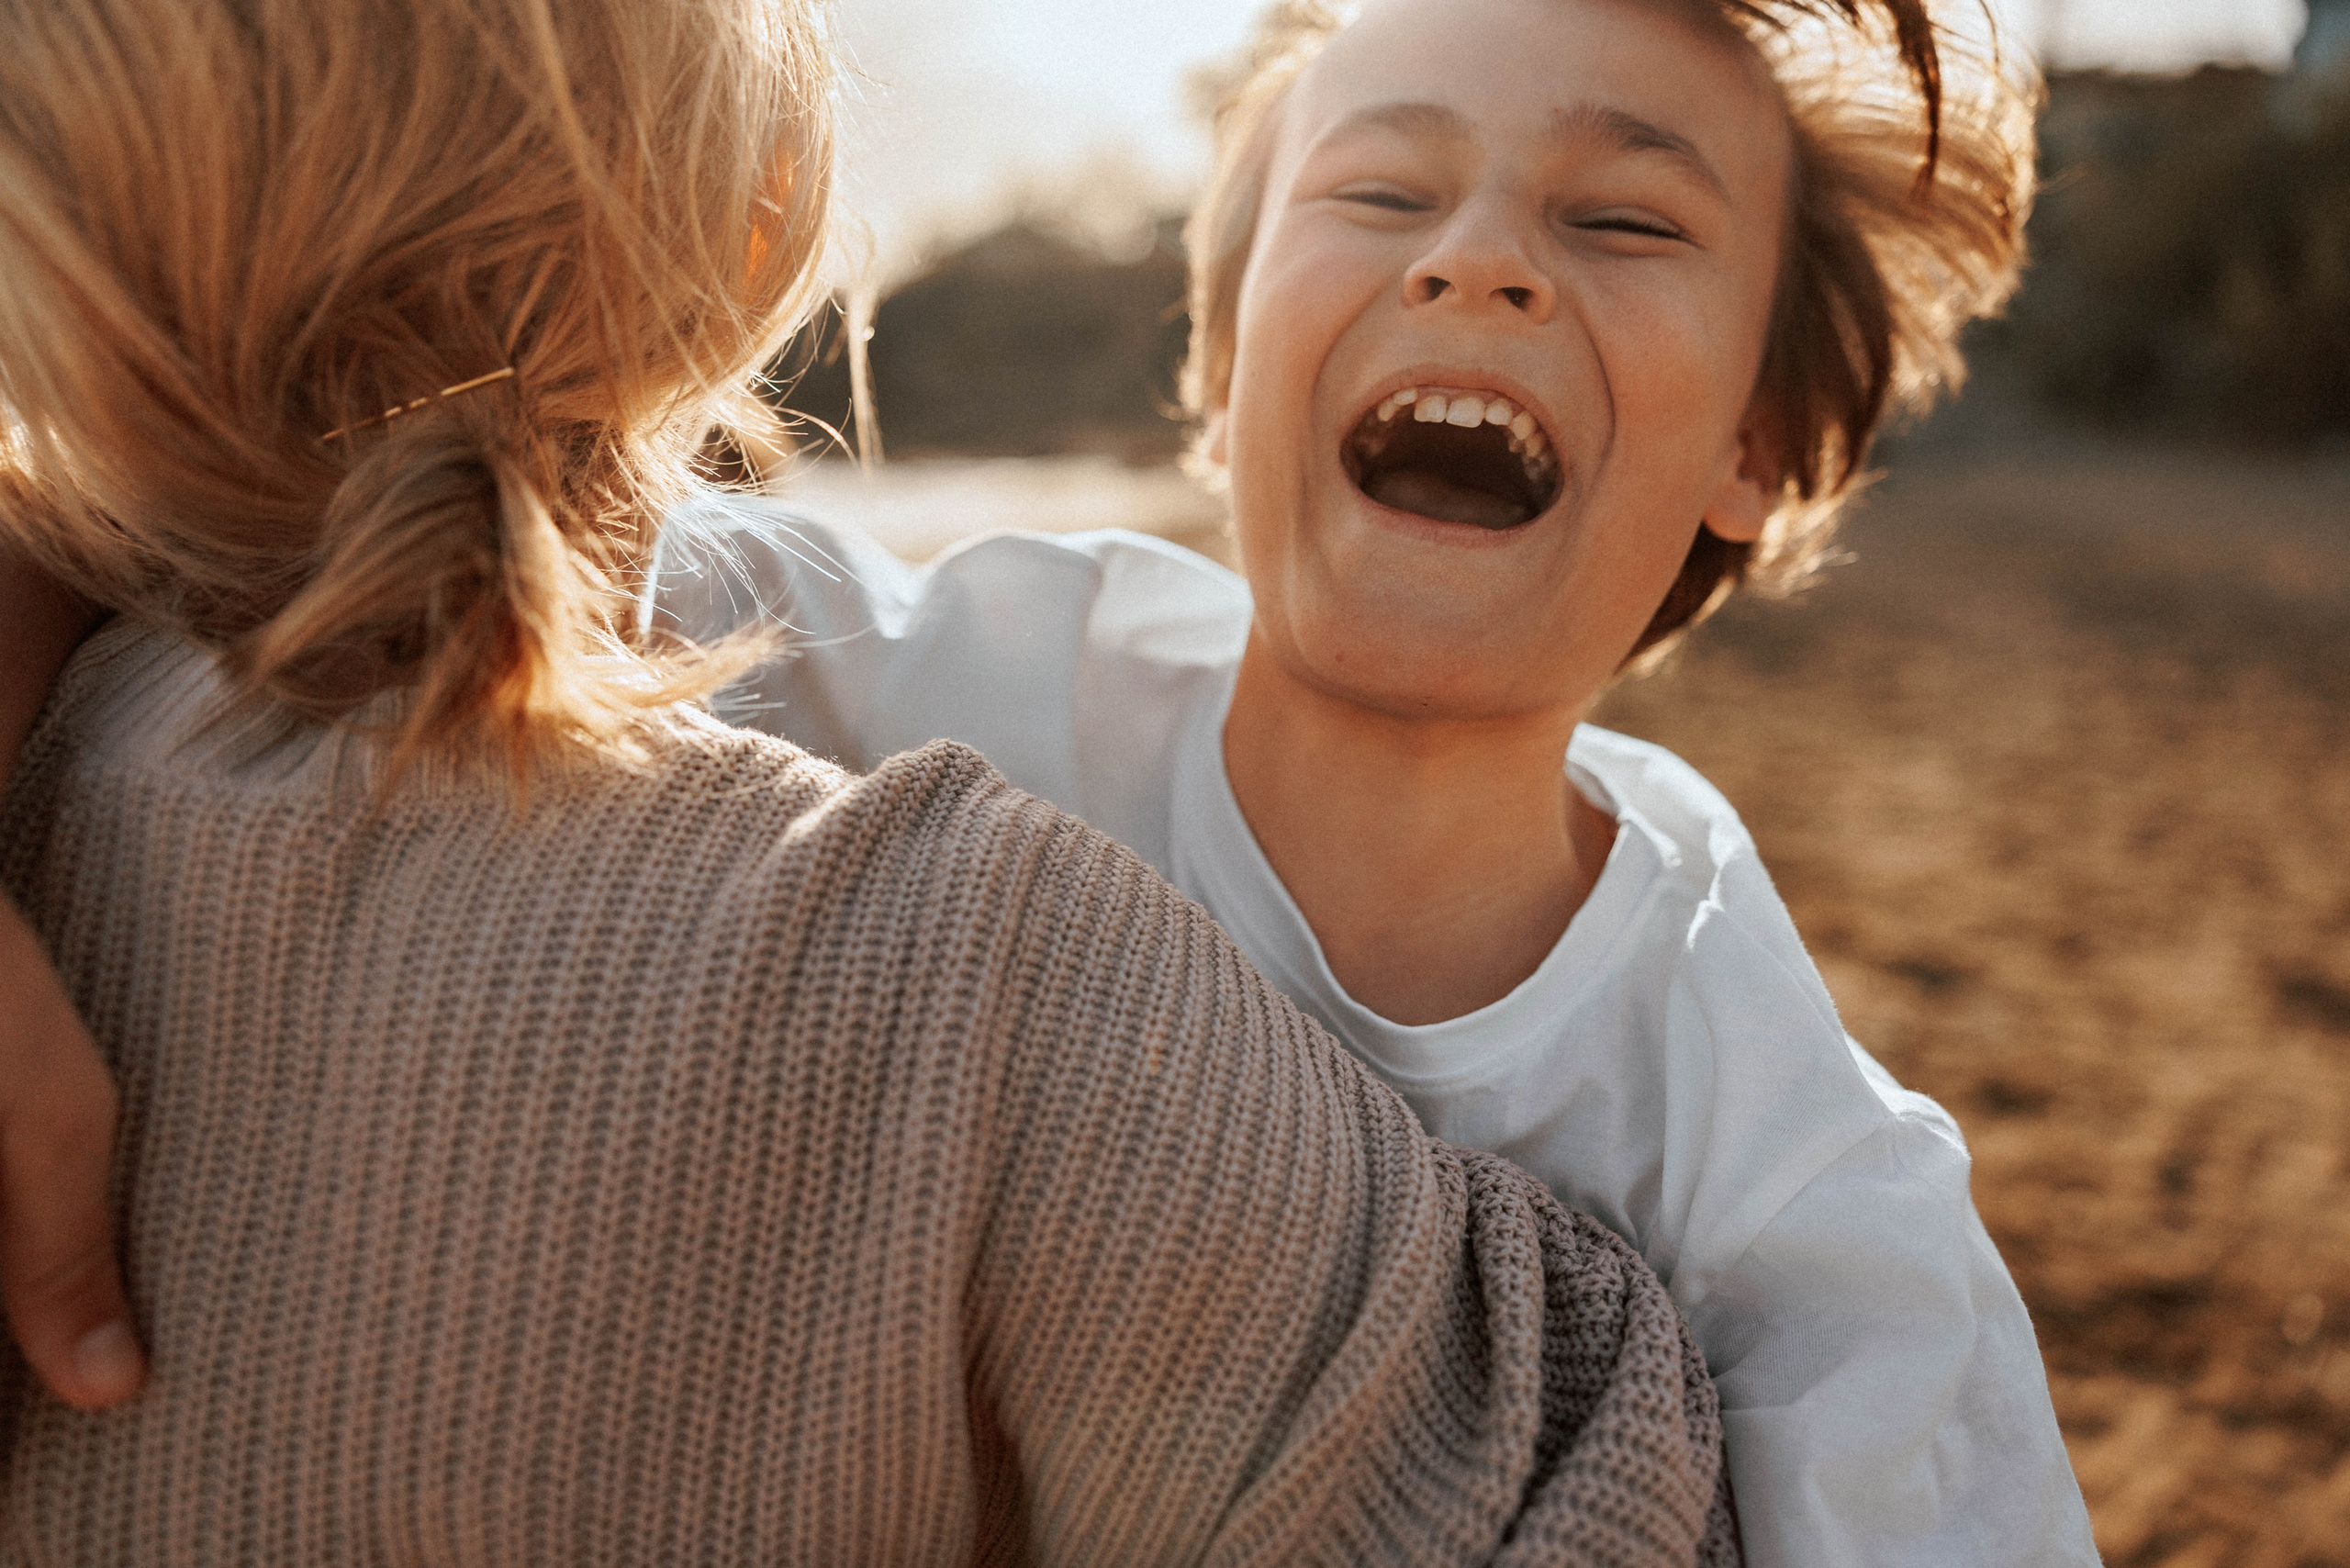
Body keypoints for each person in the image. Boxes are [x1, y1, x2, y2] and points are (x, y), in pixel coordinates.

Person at [0, 0, 1743, 1561]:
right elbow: (1592, 1487)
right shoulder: (973, 972)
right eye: (1376, 195)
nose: (1481, 262)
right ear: (751, 220)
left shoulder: (48, 795)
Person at [640, 0, 2099, 1562]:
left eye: (1621, 218)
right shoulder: (944, 679)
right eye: (1383, 194)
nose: (1474, 257)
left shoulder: (1778, 1156)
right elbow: (515, 527)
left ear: (1754, 440)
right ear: (1222, 365)